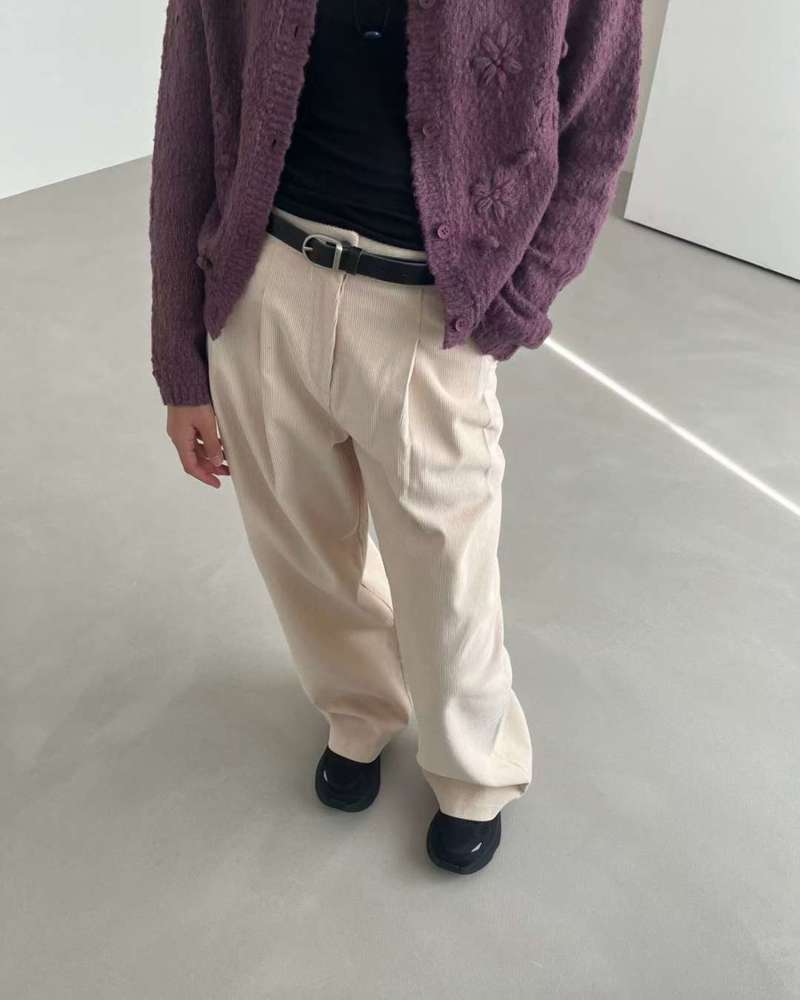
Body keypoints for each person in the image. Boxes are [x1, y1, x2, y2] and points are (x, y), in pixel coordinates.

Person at [149, 0, 642, 874]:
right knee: (303, 549)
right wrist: (179, 357)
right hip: (265, 282)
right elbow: (188, 106)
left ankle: (474, 769)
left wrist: (519, 298)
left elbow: (599, 118)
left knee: (447, 566)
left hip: (428, 310)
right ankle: (358, 709)